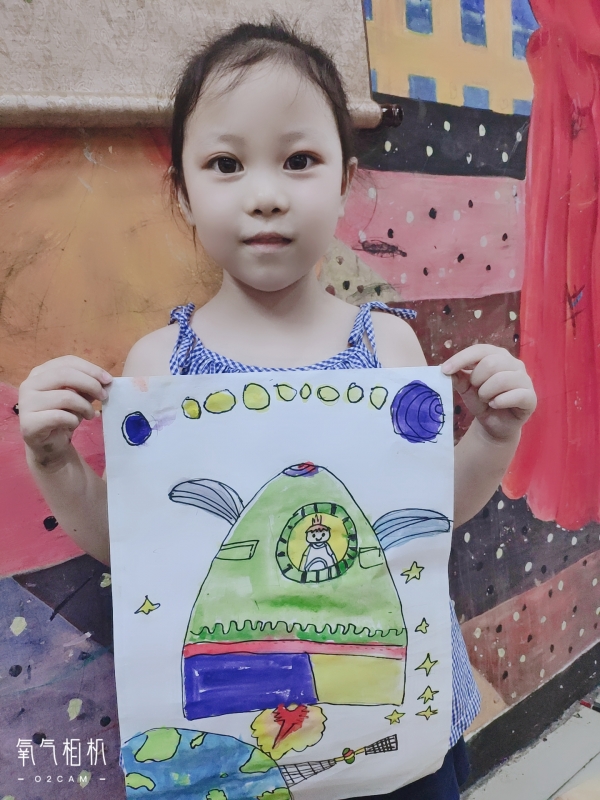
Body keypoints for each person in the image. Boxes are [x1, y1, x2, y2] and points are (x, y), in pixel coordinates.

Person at [17, 17, 537, 799]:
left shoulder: (388, 348)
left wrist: (493, 433)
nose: (265, 196)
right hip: (241, 750)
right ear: (183, 192)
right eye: (226, 164)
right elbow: (136, 547)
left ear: (345, 182)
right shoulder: (162, 370)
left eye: (299, 161)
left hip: (398, 736)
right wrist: (55, 459)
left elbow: (432, 518)